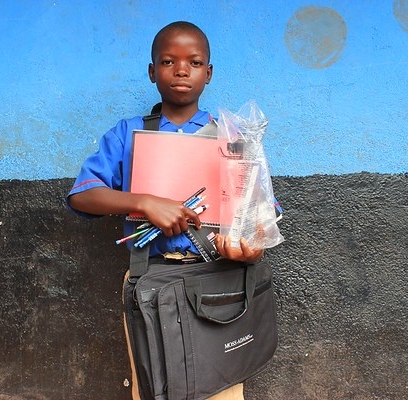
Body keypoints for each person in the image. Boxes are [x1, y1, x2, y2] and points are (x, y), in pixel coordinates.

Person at [68, 21, 262, 400]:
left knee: (222, 389)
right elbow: (83, 195)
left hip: (218, 280)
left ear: (209, 72)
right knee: (156, 387)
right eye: (168, 61)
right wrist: (142, 201)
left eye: (194, 62)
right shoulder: (128, 132)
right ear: (152, 70)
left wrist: (251, 245)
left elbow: (258, 210)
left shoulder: (230, 135)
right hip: (151, 280)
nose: (181, 70)